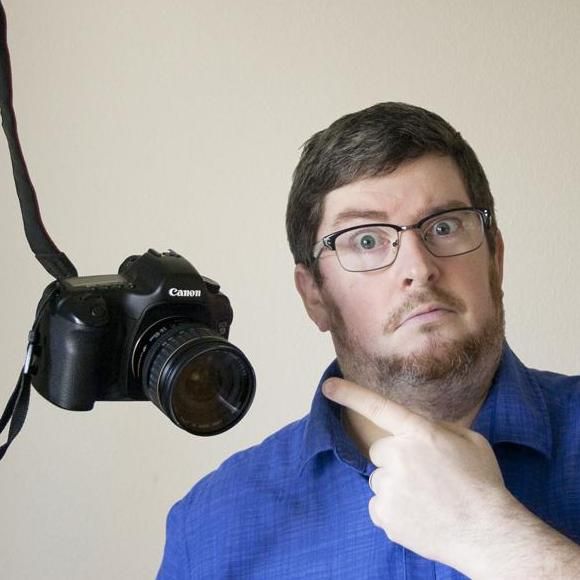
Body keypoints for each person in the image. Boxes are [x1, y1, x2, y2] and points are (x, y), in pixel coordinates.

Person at [157, 102, 580, 579]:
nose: (418, 268)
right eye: (365, 240)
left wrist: (494, 535)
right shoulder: (209, 529)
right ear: (315, 296)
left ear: (495, 261)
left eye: (443, 226)